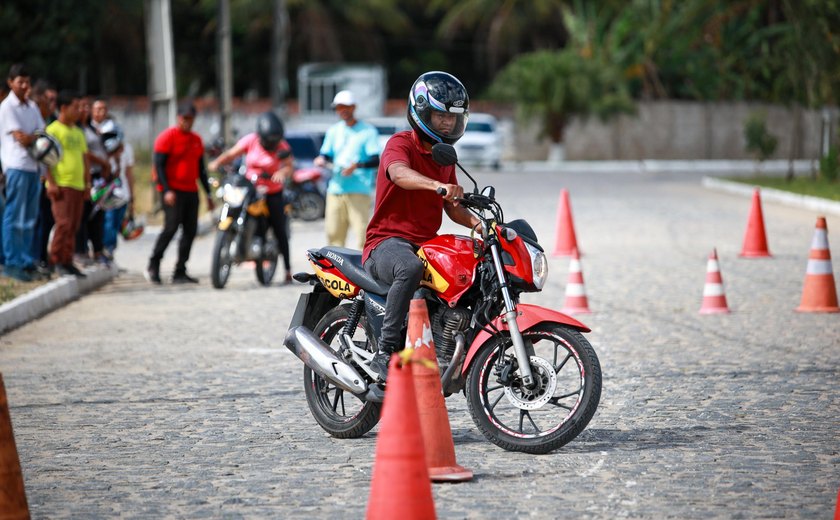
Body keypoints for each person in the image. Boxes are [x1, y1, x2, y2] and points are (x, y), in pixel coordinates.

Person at [363, 71, 479, 382]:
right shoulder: (401, 144)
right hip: (386, 243)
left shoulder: (445, 157)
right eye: (440, 115)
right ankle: (384, 353)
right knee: (409, 269)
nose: (447, 123)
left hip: (426, 242)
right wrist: (437, 185)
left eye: (452, 118)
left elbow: (454, 208)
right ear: (421, 111)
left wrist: (481, 225)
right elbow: (399, 173)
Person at [208, 111, 295, 282]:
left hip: (272, 192)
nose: (272, 144)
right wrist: (217, 163)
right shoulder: (251, 140)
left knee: (279, 228)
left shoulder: (282, 147)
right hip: (250, 188)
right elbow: (231, 154)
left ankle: (287, 268)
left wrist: (282, 172)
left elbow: (289, 167)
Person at [146, 101, 214, 284]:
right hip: (172, 191)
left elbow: (201, 170)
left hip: (191, 191)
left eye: (191, 119)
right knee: (170, 228)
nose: (187, 122)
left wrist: (208, 194)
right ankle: (154, 263)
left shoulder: (196, 140)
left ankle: (180, 270)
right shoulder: (167, 137)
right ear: (178, 118)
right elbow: (159, 166)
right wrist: (166, 190)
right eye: (185, 118)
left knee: (190, 231)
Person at [313, 90, 380, 250]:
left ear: (353, 107)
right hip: (336, 189)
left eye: (346, 106)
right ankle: (336, 271)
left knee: (362, 236)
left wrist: (356, 165)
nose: (342, 110)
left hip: (358, 189)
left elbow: (375, 160)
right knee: (333, 234)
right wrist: (321, 159)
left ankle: (362, 271)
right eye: (339, 107)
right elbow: (326, 154)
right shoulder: (334, 130)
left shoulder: (368, 131)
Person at [0, 63, 46, 282]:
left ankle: (27, 261)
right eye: (20, 82)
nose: (24, 85)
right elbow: (23, 138)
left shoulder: (32, 107)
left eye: (27, 81)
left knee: (29, 217)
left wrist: (31, 136)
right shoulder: (7, 107)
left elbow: (40, 133)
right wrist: (32, 136)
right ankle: (12, 262)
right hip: (16, 165)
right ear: (11, 83)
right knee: (14, 215)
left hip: (33, 166)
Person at [45, 90, 89, 278]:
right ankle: (56, 260)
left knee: (73, 225)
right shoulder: (53, 130)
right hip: (61, 184)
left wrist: (87, 184)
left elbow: (85, 159)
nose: (79, 111)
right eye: (75, 107)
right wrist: (52, 182)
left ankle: (67, 260)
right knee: (63, 224)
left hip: (78, 185)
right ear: (63, 108)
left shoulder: (78, 132)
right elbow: (45, 159)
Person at [75, 96, 111, 266]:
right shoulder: (76, 130)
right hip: (85, 176)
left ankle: (97, 250)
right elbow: (85, 153)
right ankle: (80, 250)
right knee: (82, 215)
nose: (85, 110)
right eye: (81, 106)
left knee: (97, 215)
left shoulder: (90, 128)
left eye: (87, 107)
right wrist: (103, 162)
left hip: (98, 177)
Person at [30, 79, 58, 276]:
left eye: (53, 101)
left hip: (44, 177)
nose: (51, 105)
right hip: (36, 177)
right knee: (35, 220)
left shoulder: (50, 120)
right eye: (47, 101)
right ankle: (34, 258)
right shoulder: (33, 120)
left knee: (47, 221)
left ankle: (40, 257)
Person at [98, 119, 135, 259]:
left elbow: (129, 173)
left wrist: (132, 197)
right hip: (107, 194)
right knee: (108, 223)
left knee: (116, 224)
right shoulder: (101, 151)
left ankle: (110, 251)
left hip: (122, 193)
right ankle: (104, 250)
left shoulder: (126, 149)